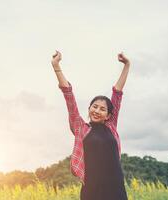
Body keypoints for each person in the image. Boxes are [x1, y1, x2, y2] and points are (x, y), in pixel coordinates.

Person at [51, 50, 130, 200]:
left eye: (102, 109)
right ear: (89, 109)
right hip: (92, 190)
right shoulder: (82, 128)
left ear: (108, 115)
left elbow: (117, 93)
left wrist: (127, 65)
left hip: (116, 188)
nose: (97, 111)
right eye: (94, 106)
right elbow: (68, 95)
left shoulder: (111, 126)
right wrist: (56, 66)